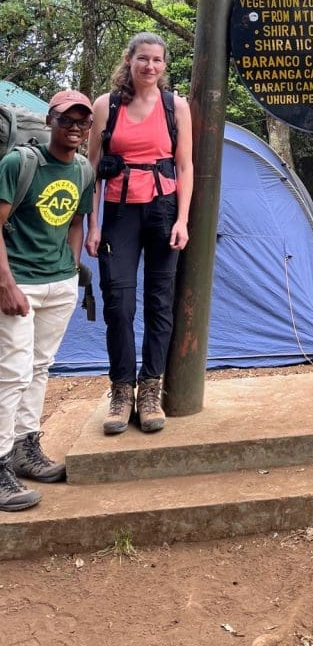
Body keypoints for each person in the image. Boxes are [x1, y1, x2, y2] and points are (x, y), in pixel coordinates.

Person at [86, 33, 193, 436]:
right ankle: (121, 391)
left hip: (164, 211)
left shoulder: (174, 107)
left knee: (160, 302)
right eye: (143, 59)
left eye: (157, 60)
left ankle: (151, 389)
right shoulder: (106, 106)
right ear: (129, 61)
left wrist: (183, 219)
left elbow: (184, 166)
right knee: (118, 302)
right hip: (118, 212)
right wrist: (93, 224)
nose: (150, 66)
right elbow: (93, 170)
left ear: (165, 65)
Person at [0, 90, 95, 511]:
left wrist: (71, 268)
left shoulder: (83, 170)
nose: (74, 127)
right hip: (18, 284)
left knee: (39, 369)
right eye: (66, 120)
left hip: (57, 285)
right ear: (50, 121)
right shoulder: (19, 163)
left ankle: (25, 448)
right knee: (12, 374)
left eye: (82, 121)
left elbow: (76, 220)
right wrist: (5, 283)